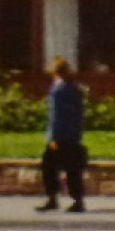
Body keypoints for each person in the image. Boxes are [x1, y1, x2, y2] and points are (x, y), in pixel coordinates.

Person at [37, 56, 86, 213]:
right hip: (73, 135)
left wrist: (53, 137)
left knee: (49, 167)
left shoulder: (59, 90)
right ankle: (77, 200)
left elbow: (56, 116)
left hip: (60, 136)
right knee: (72, 169)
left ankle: (53, 198)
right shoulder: (74, 88)